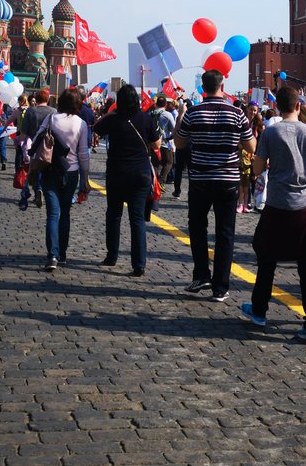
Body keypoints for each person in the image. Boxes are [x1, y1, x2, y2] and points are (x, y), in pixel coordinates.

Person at [243, 85, 306, 344]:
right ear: (299, 106)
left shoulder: (271, 132)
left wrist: (270, 163)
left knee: (266, 259)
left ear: (278, 106)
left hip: (278, 204)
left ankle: (259, 311)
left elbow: (257, 169)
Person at [175, 69, 255, 302]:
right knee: (225, 232)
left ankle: (201, 274)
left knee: (197, 227)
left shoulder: (194, 112)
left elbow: (180, 143)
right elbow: (251, 147)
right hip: (228, 181)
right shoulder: (237, 113)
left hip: (200, 179)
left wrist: (181, 115)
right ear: (222, 86)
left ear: (203, 87)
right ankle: (221, 286)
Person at [93, 83, 159, 276]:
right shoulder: (145, 118)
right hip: (140, 174)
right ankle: (139, 264)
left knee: (114, 215)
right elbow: (156, 144)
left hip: (117, 173)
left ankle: (112, 255)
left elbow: (97, 128)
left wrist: (111, 111)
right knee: (137, 219)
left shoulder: (113, 119)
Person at [32, 88, 90, 272]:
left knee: (52, 214)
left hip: (50, 170)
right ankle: (62, 254)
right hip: (71, 172)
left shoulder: (51, 119)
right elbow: (83, 154)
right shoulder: (81, 123)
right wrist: (86, 178)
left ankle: (53, 255)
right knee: (65, 213)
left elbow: (37, 139)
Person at [19, 88, 54, 209]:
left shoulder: (30, 111)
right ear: (48, 99)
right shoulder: (53, 111)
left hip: (33, 145)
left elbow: (24, 131)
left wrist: (21, 143)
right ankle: (44, 191)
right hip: (49, 146)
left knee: (36, 170)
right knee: (46, 170)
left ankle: (38, 189)